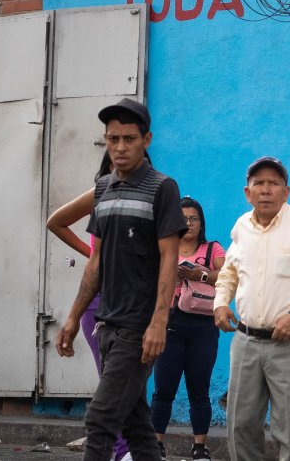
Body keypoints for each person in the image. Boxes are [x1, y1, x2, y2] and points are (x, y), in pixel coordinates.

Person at [55, 98, 185, 461]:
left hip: (139, 327)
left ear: (146, 140)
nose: (120, 147)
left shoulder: (163, 188)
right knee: (136, 426)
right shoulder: (103, 189)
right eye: (113, 139)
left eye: (129, 138)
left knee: (100, 417)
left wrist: (159, 321)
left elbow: (169, 258)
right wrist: (72, 315)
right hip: (107, 324)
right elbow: (96, 262)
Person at [213, 157, 290, 461]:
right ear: (247, 192)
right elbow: (229, 272)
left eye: (273, 183)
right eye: (259, 184)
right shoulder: (242, 226)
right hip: (245, 342)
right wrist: (220, 303)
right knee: (240, 425)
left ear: (286, 191)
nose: (266, 190)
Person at [46, 152, 130, 461]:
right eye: (113, 161)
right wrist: (91, 254)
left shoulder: (150, 198)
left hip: (134, 306)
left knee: (129, 385)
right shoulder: (99, 194)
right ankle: (121, 451)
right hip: (100, 304)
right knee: (113, 385)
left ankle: (124, 449)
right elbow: (56, 222)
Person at [150, 196, 224, 461]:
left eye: (194, 219)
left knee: (199, 389)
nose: (189, 224)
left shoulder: (212, 248)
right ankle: (156, 445)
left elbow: (226, 276)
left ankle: (200, 447)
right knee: (163, 389)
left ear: (201, 222)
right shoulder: (165, 248)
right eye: (183, 219)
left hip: (203, 325)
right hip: (170, 322)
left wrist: (199, 274)